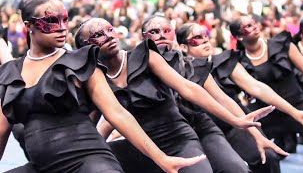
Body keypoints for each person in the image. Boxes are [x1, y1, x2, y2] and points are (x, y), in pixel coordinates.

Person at [0, 0, 208, 172]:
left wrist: (161, 158)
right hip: (41, 167)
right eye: (51, 21)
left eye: (65, 19)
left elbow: (117, 113)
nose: (63, 28)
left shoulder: (80, 61)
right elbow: (1, 130)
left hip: (88, 162)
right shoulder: (11, 73)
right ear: (28, 26)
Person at [74, 17, 272, 173]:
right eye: (98, 35)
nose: (109, 36)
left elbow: (188, 88)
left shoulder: (145, 56)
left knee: (235, 167)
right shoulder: (93, 78)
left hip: (178, 139)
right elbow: (97, 125)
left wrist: (237, 121)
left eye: (110, 30)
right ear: (84, 47)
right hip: (142, 148)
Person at [140, 15, 287, 173]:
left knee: (245, 166)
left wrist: (256, 134)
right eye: (154, 31)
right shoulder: (136, 70)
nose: (161, 35)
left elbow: (226, 98)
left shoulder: (194, 65)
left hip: (209, 127)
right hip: (165, 136)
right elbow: (119, 112)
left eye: (167, 30)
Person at [229, 16, 303, 172]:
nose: (255, 26)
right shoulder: (237, 61)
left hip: (297, 107)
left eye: (254, 23)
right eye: (248, 26)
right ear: (238, 36)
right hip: (265, 115)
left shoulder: (282, 45)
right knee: (261, 153)